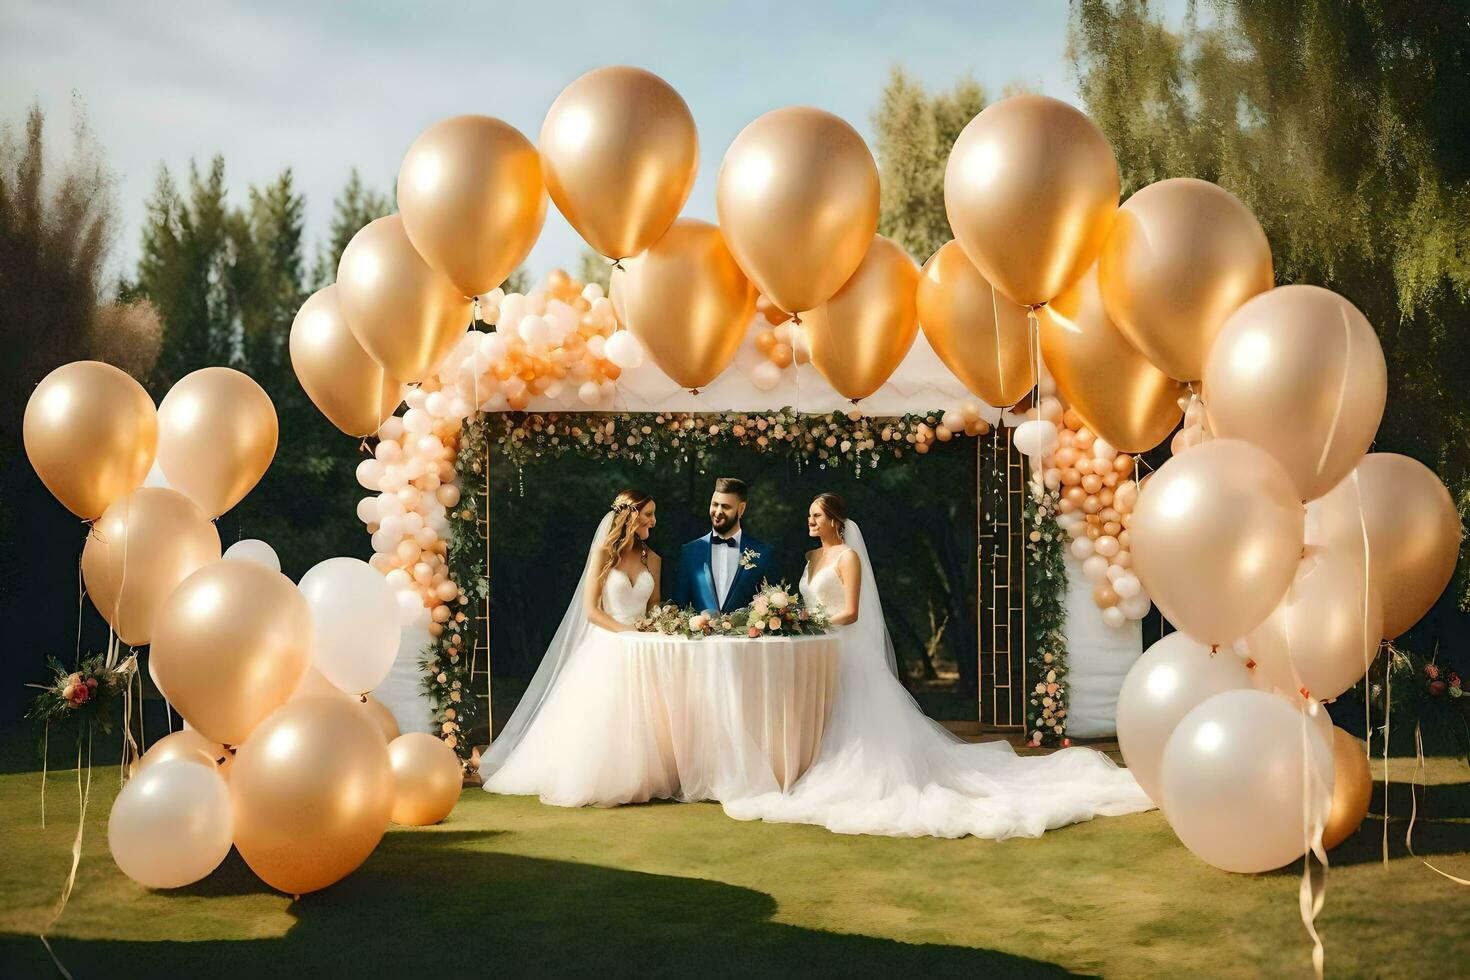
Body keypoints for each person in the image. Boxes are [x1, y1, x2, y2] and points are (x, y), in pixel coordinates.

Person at [722, 492, 1155, 839]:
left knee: (855, 721)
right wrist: (797, 619)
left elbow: (851, 611)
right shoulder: (811, 559)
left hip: (846, 649)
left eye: (817, 515)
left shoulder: (847, 558)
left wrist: (809, 622)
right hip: (819, 652)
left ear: (835, 520)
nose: (810, 522)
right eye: (809, 516)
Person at [479, 489, 679, 806]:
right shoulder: (603, 555)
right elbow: (591, 611)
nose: (654, 521)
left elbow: (654, 608)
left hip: (643, 648)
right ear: (630, 516)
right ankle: (604, 779)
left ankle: (647, 777)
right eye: (649, 514)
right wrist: (627, 633)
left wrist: (660, 627)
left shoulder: (653, 559)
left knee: (648, 717)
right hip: (608, 646)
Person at [671, 477, 778, 613]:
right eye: (715, 504)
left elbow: (773, 610)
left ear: (741, 509)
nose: (718, 511)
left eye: (726, 507)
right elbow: (678, 608)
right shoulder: (689, 551)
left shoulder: (763, 553)